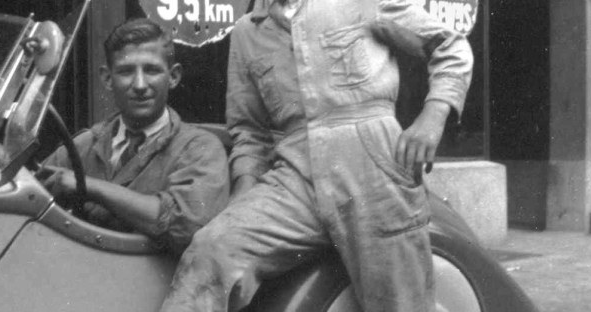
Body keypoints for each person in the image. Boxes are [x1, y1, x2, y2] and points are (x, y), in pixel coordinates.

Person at [160, 0, 473, 311]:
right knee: (212, 249)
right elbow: (248, 130)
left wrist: (433, 116)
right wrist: (243, 190)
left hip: (375, 174)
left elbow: (450, 46)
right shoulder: (247, 31)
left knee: (400, 304)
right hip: (294, 179)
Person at [38, 18, 230, 254]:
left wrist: (88, 187)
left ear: (173, 76)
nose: (140, 84)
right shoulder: (86, 144)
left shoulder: (200, 149)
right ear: (107, 78)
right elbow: (32, 192)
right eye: (126, 71)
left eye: (151, 70)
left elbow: (188, 225)